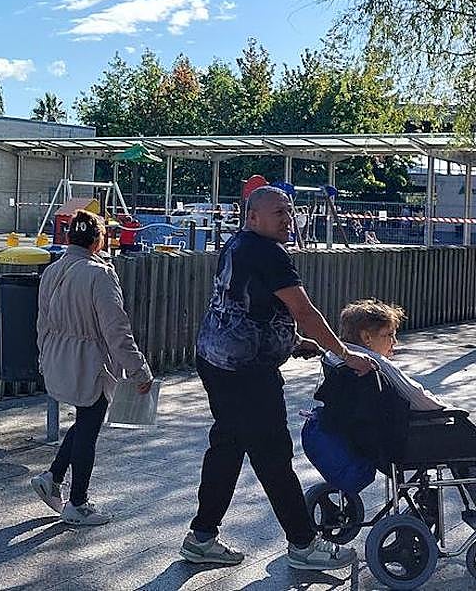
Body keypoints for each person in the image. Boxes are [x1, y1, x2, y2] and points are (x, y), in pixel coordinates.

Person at [179, 186, 378, 571]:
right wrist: (345, 353)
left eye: (289, 211)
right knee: (272, 455)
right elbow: (304, 311)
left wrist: (291, 341)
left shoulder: (238, 244)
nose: (287, 218)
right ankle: (303, 545)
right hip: (246, 374)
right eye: (278, 213)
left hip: (216, 361)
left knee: (227, 446)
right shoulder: (269, 253)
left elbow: (248, 307)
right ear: (253, 217)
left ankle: (201, 537)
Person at [29, 209, 153, 526]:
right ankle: (78, 502)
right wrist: (139, 370)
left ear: (70, 237)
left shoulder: (52, 270)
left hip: (56, 355)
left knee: (86, 419)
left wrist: (45, 355)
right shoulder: (100, 274)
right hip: (90, 361)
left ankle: (52, 477)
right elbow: (116, 330)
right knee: (90, 426)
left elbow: (42, 320)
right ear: (98, 240)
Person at [319, 299, 476, 519]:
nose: (395, 342)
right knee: (465, 437)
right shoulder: (375, 363)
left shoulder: (337, 357)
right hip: (398, 441)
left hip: (369, 438)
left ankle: (426, 502)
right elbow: (418, 397)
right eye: (389, 334)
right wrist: (450, 410)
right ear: (366, 337)